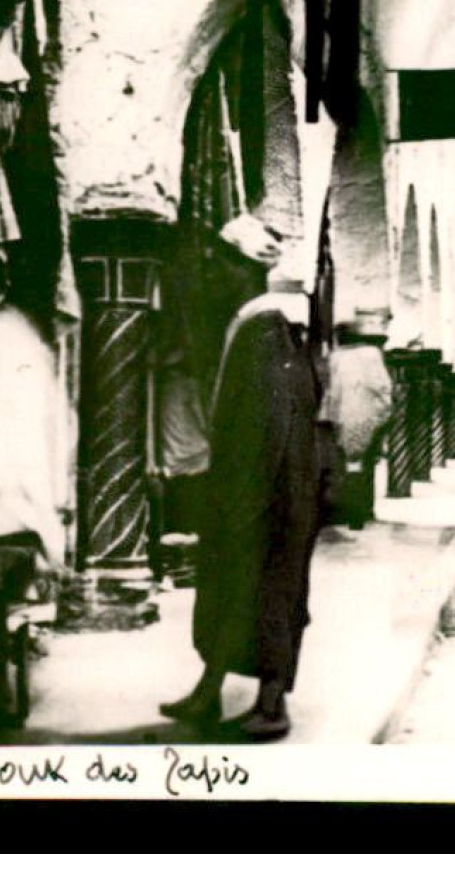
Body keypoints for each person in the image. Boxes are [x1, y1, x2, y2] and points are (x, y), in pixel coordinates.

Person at [159, 243, 321, 741]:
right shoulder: (259, 328)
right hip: (256, 487)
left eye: (223, 262)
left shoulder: (264, 334)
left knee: (270, 591)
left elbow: (270, 427)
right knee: (231, 590)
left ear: (248, 270)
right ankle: (208, 691)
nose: (213, 270)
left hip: (266, 494)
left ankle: (272, 703)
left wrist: (245, 499)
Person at [319, 309, 394, 531]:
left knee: (346, 465)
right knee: (365, 464)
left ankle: (346, 511)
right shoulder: (372, 354)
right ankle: (363, 510)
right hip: (368, 416)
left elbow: (328, 390)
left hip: (339, 416)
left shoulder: (334, 357)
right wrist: (385, 412)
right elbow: (383, 387)